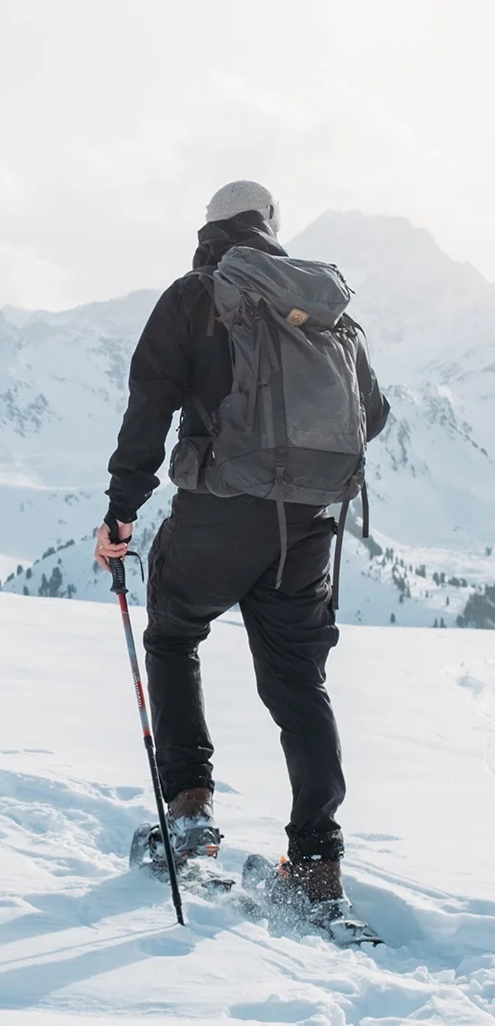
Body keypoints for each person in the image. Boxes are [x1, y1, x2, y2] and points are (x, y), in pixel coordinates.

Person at [94, 180, 389, 908]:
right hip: (310, 522)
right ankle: (317, 868)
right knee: (298, 683)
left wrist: (121, 513)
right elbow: (373, 414)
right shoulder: (321, 303)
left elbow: (148, 409)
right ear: (271, 226)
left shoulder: (196, 296)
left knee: (172, 637)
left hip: (221, 512)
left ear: (210, 227)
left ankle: (190, 812)